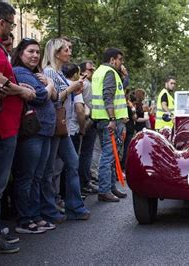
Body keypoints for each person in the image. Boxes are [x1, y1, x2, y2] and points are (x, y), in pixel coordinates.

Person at [0, 1, 36, 254]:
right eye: (12, 23)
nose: (12, 30)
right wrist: (23, 90)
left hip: (5, 126)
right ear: (2, 23)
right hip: (1, 127)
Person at [11, 38, 57, 234]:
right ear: (20, 53)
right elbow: (40, 96)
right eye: (30, 51)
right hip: (32, 132)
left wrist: (49, 88)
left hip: (45, 131)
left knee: (37, 177)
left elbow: (54, 97)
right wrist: (50, 85)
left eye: (38, 52)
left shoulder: (35, 73)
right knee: (27, 177)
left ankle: (35, 215)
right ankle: (24, 220)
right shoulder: (20, 72)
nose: (35, 55)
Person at [42, 38, 90, 222]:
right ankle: (50, 209)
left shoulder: (59, 73)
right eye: (66, 49)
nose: (70, 52)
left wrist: (75, 88)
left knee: (71, 163)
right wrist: (72, 88)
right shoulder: (49, 72)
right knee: (49, 170)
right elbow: (55, 99)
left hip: (62, 127)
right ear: (56, 53)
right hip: (54, 126)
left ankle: (74, 206)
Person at [91, 47, 128, 202]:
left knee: (111, 155)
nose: (121, 63)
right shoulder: (110, 73)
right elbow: (108, 97)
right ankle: (105, 190)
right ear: (113, 59)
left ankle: (111, 187)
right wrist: (113, 119)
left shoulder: (99, 71)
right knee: (108, 156)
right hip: (109, 121)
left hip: (101, 119)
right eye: (120, 60)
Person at [78, 60, 98, 194]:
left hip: (87, 121)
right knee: (85, 154)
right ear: (83, 71)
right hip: (86, 121)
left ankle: (85, 181)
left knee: (86, 153)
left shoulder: (87, 83)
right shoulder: (85, 84)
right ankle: (84, 183)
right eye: (90, 70)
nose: (92, 72)